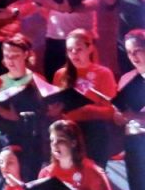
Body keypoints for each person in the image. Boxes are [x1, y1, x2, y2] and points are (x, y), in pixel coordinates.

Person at [0, 33, 53, 180]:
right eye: (6, 56)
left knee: (28, 181)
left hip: (30, 143)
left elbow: (44, 113)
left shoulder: (37, 81)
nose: (10, 60)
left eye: (15, 56)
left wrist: (18, 117)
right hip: (4, 142)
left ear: (26, 54)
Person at [50, 28, 117, 167]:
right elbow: (55, 107)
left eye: (78, 49)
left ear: (90, 49)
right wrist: (54, 112)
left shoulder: (103, 73)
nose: (74, 53)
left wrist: (88, 110)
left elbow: (112, 111)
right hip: (68, 132)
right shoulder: (60, 74)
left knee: (93, 173)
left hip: (94, 131)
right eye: (70, 50)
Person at [113, 29, 145, 190]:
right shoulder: (126, 79)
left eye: (138, 51)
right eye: (129, 52)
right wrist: (119, 116)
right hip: (134, 143)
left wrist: (137, 116)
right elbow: (118, 116)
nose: (133, 56)